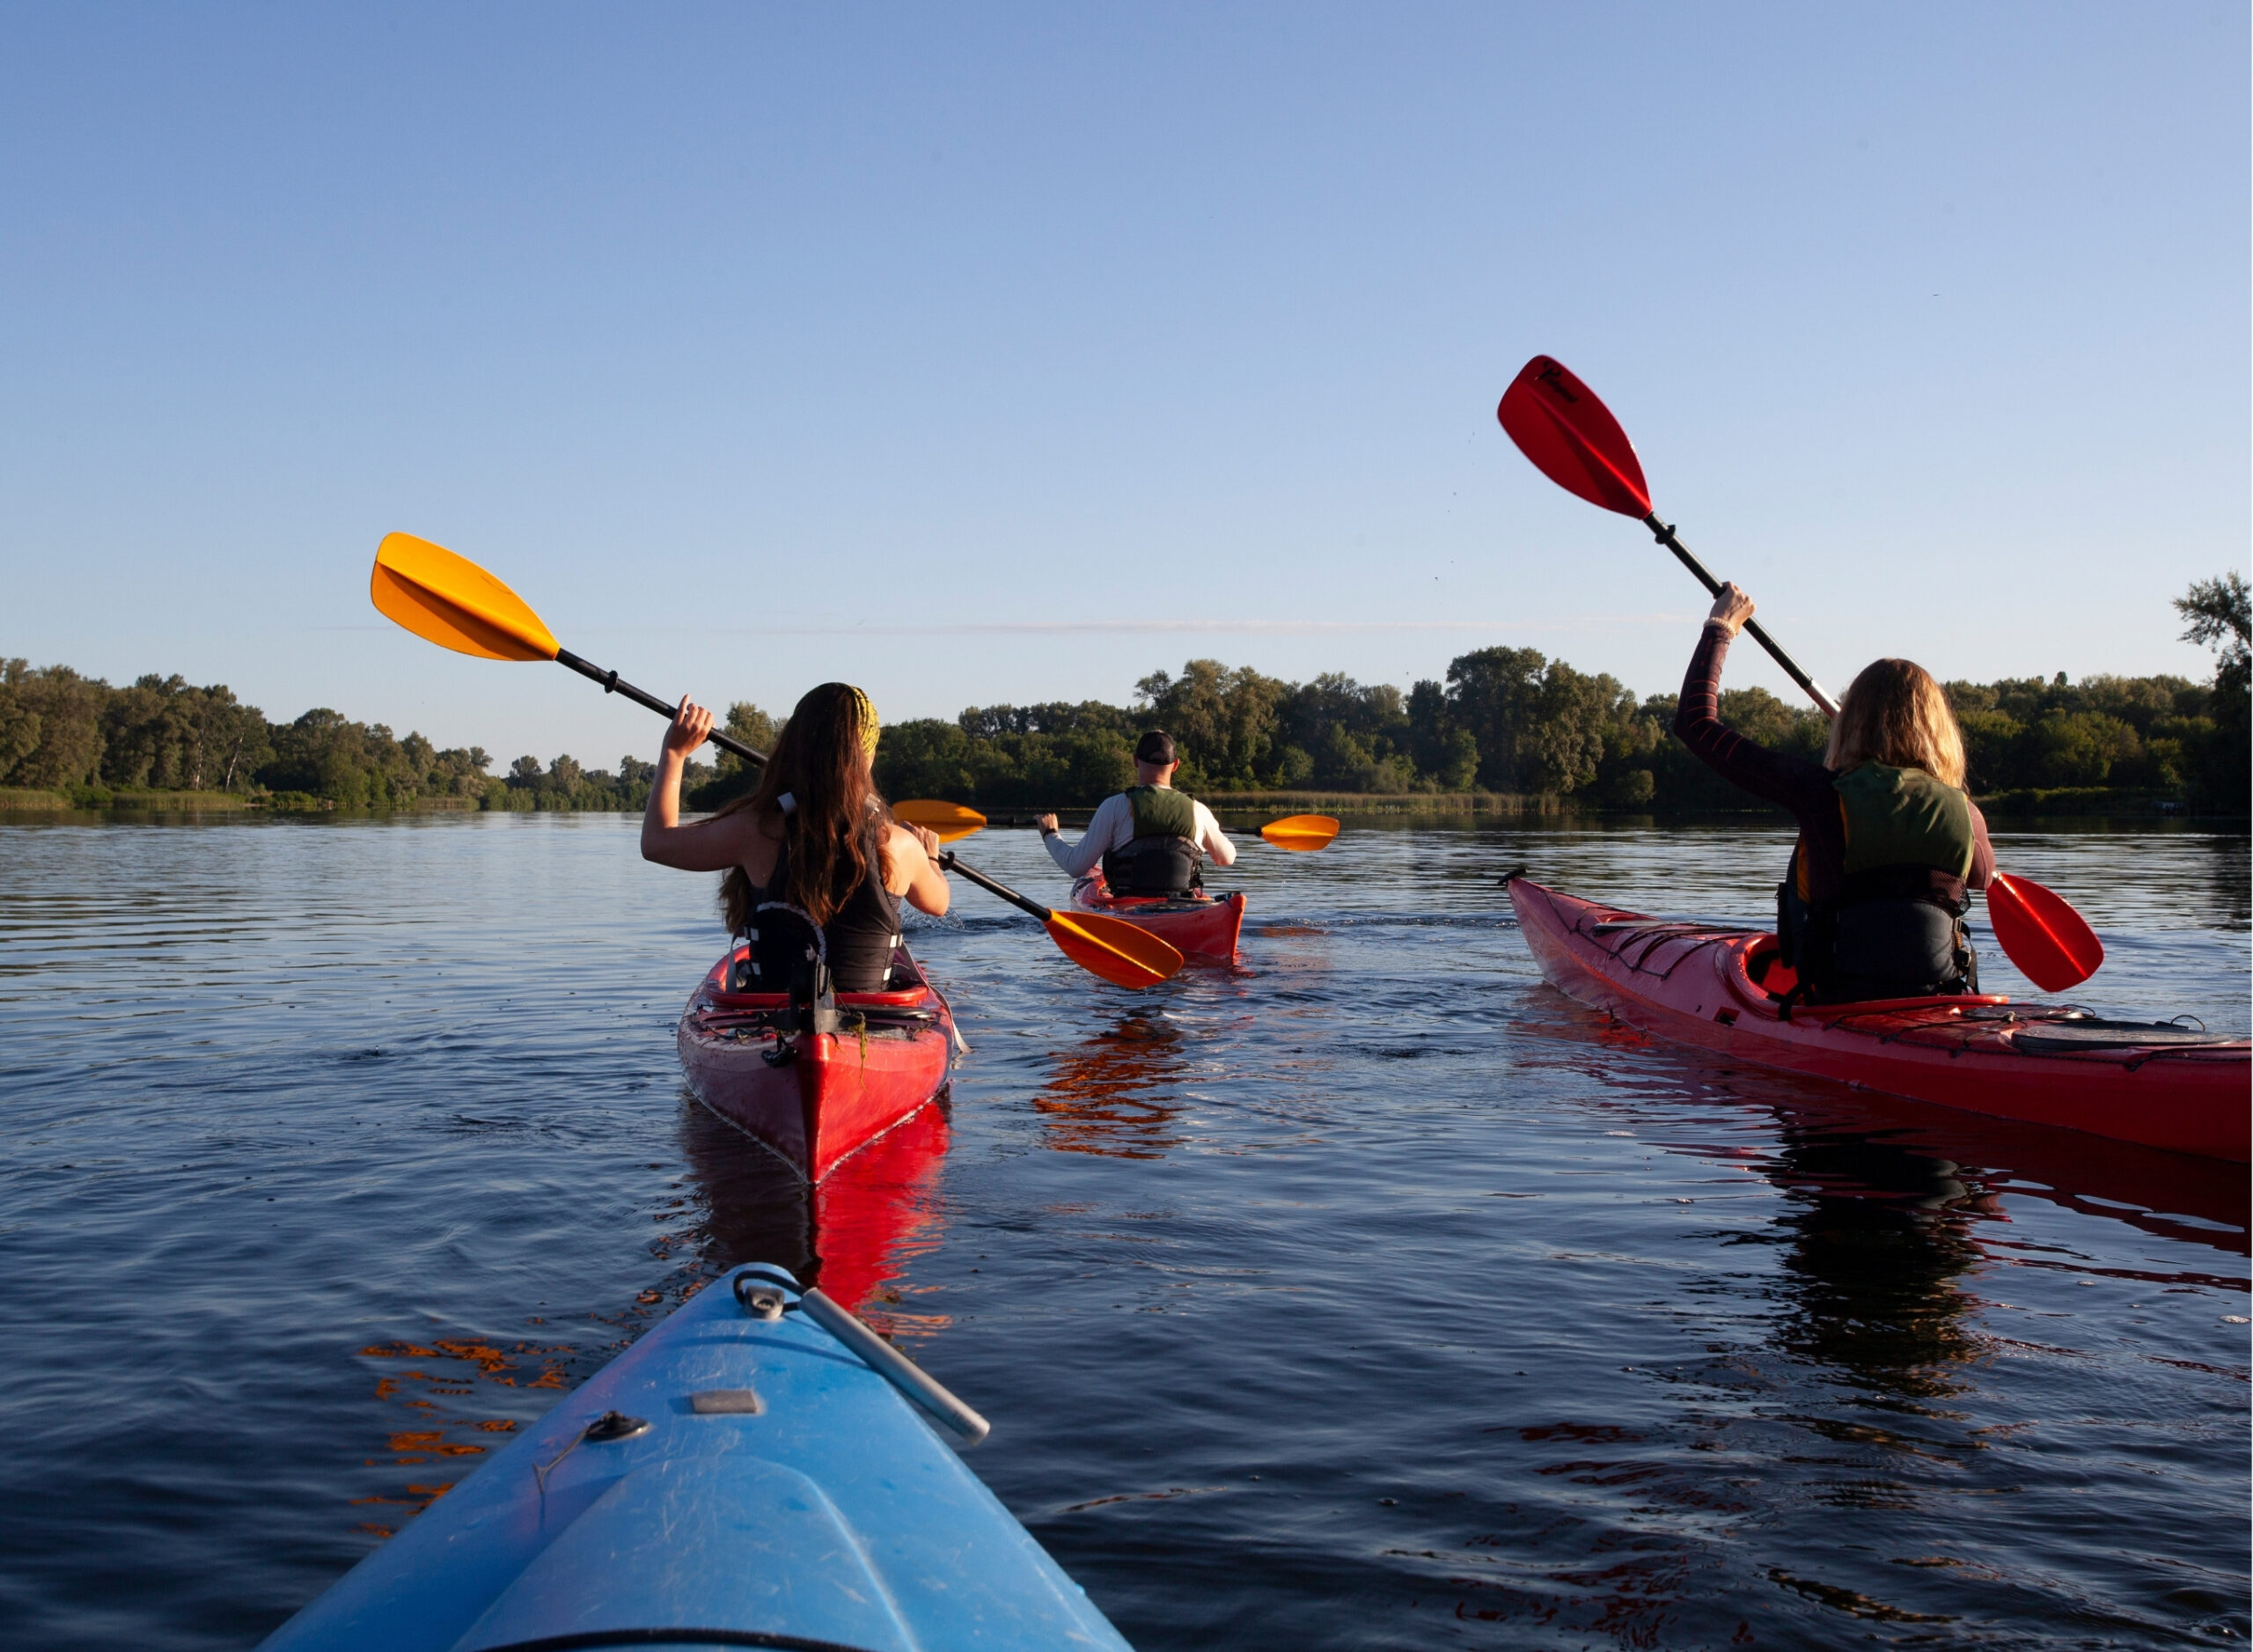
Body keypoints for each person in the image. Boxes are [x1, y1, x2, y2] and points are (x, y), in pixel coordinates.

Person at [1677, 584, 1995, 1005]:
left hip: (1840, 1001)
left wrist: (1720, 627)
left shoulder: (1820, 794)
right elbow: (1983, 879)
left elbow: (1696, 724)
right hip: (1940, 1000)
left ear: (1850, 723)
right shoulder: (1966, 813)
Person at [639, 682, 949, 994]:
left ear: (793, 747)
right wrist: (930, 857)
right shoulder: (898, 845)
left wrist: (674, 753)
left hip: (770, 1025)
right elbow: (938, 904)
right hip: (874, 1024)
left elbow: (656, 843)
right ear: (868, 757)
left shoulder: (755, 831)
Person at [1036, 730, 1237, 899]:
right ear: (1176, 765)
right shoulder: (1198, 811)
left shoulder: (1114, 806)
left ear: (1135, 761)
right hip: (1181, 908)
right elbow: (1227, 858)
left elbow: (1076, 866)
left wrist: (1050, 834)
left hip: (1128, 910)